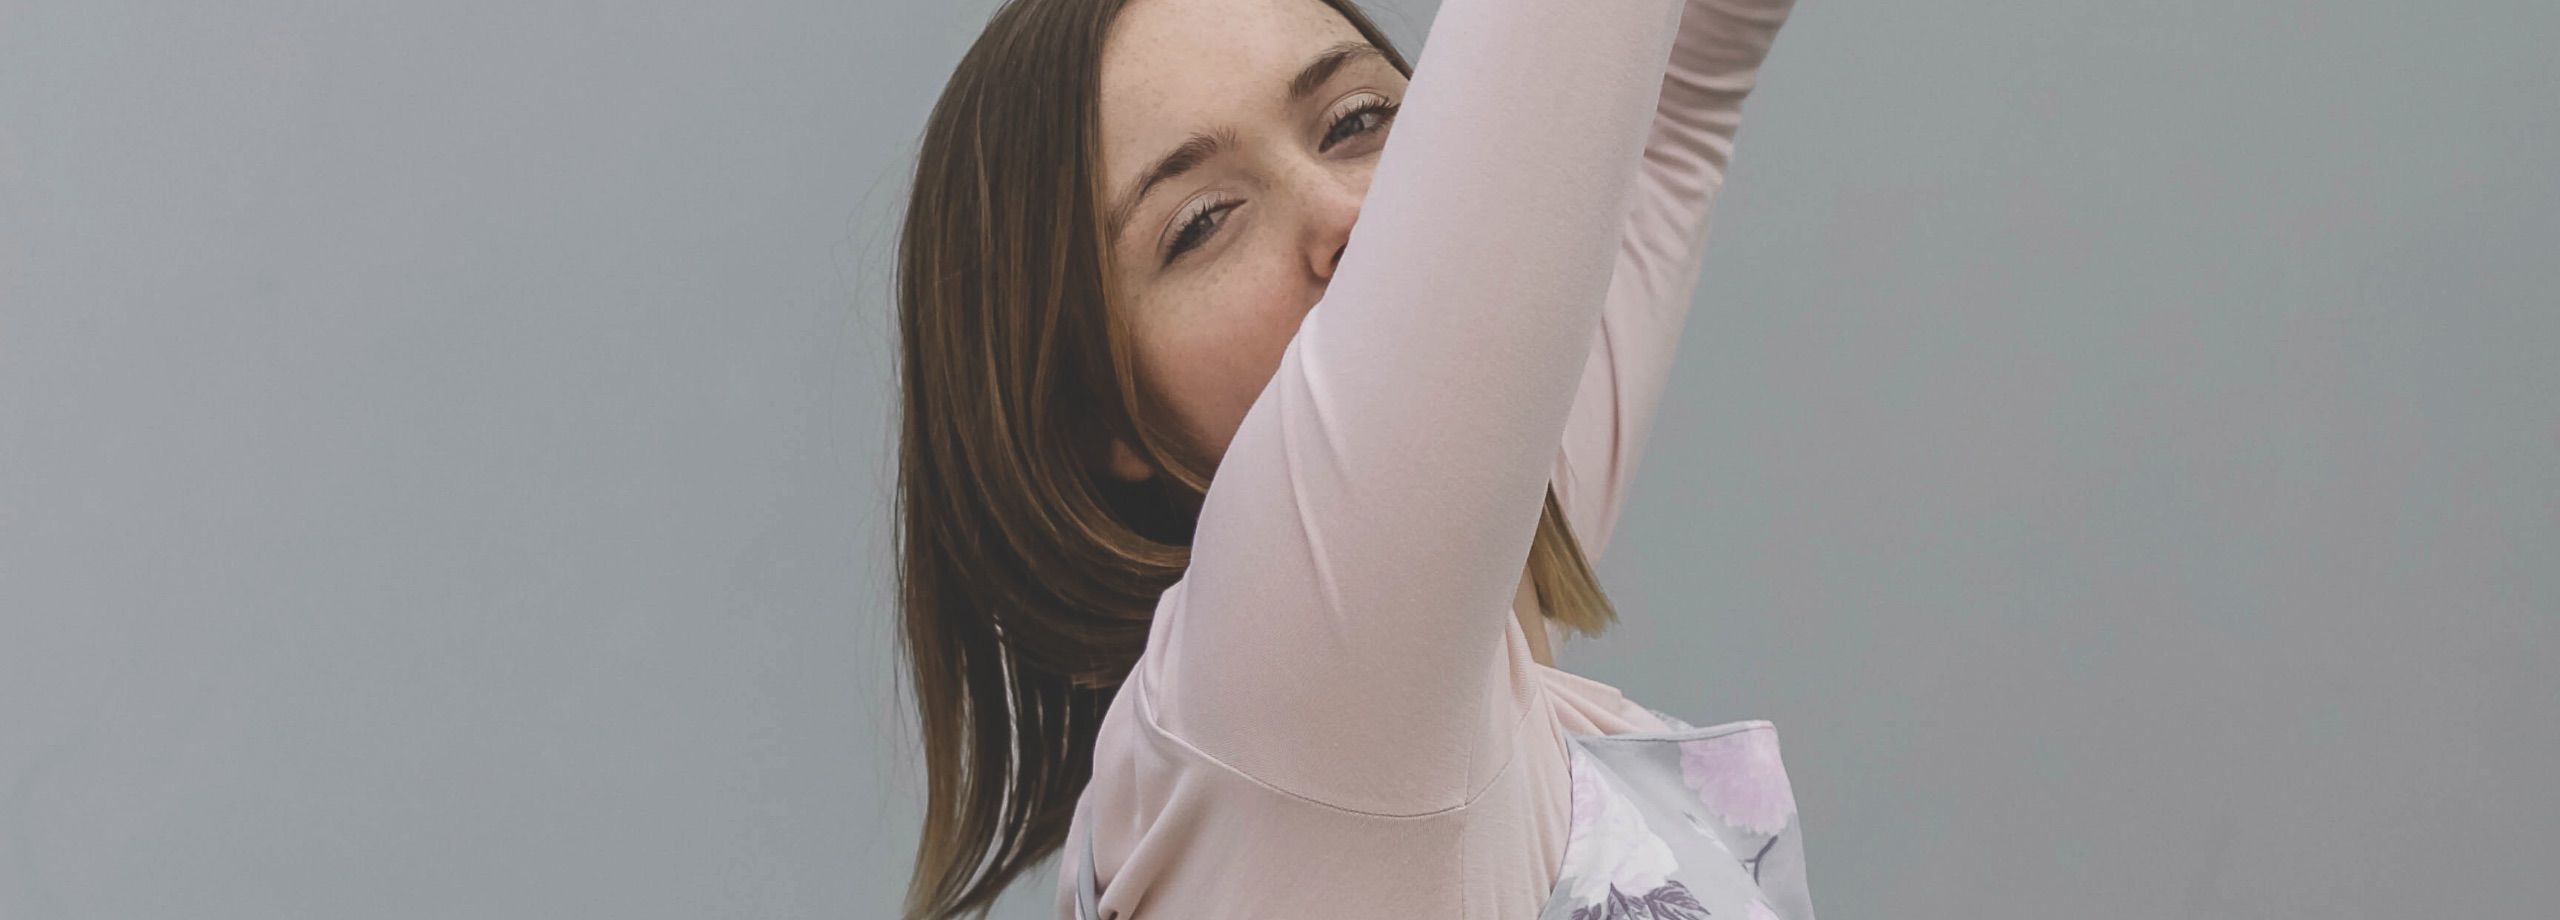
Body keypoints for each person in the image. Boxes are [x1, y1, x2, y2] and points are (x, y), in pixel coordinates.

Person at [891, 0, 1802, 915]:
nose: (1352, 215)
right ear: (1101, 422)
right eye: (1203, 221)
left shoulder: (1454, 618)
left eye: (1356, 120)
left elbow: (1673, 104)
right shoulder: (1296, 693)